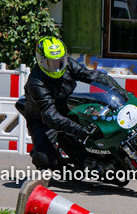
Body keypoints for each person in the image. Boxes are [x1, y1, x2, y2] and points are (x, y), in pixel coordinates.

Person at [23, 37, 130, 171]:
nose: (57, 66)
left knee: (98, 116)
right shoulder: (36, 83)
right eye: (52, 63)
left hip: (66, 104)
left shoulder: (68, 64)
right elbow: (50, 115)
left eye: (60, 61)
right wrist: (79, 130)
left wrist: (120, 91)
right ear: (42, 61)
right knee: (44, 158)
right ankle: (63, 167)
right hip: (41, 117)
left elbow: (92, 75)